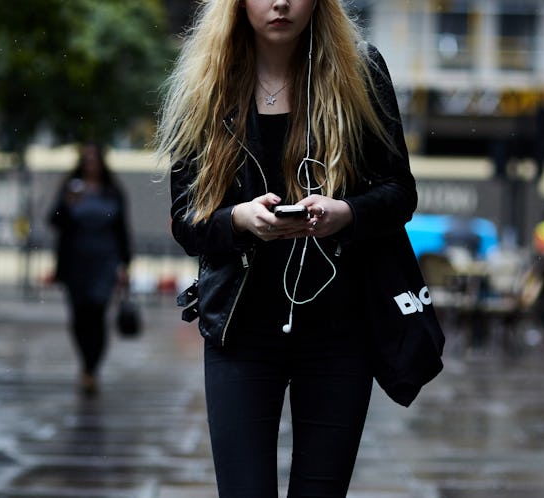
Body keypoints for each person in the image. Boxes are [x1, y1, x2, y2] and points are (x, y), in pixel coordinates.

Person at [154, 0, 417, 496]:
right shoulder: (208, 78)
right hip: (240, 331)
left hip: (340, 332)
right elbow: (188, 222)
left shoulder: (360, 70)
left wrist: (346, 214)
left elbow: (400, 192)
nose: (280, 2)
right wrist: (239, 219)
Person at [49, 143, 132, 395]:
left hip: (104, 262)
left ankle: (90, 369)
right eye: (86, 159)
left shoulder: (113, 191)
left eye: (94, 159)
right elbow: (54, 220)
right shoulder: (71, 188)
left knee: (97, 314)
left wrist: (125, 265)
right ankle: (87, 366)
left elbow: (122, 231)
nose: (90, 164)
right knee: (78, 316)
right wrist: (66, 203)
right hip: (76, 262)